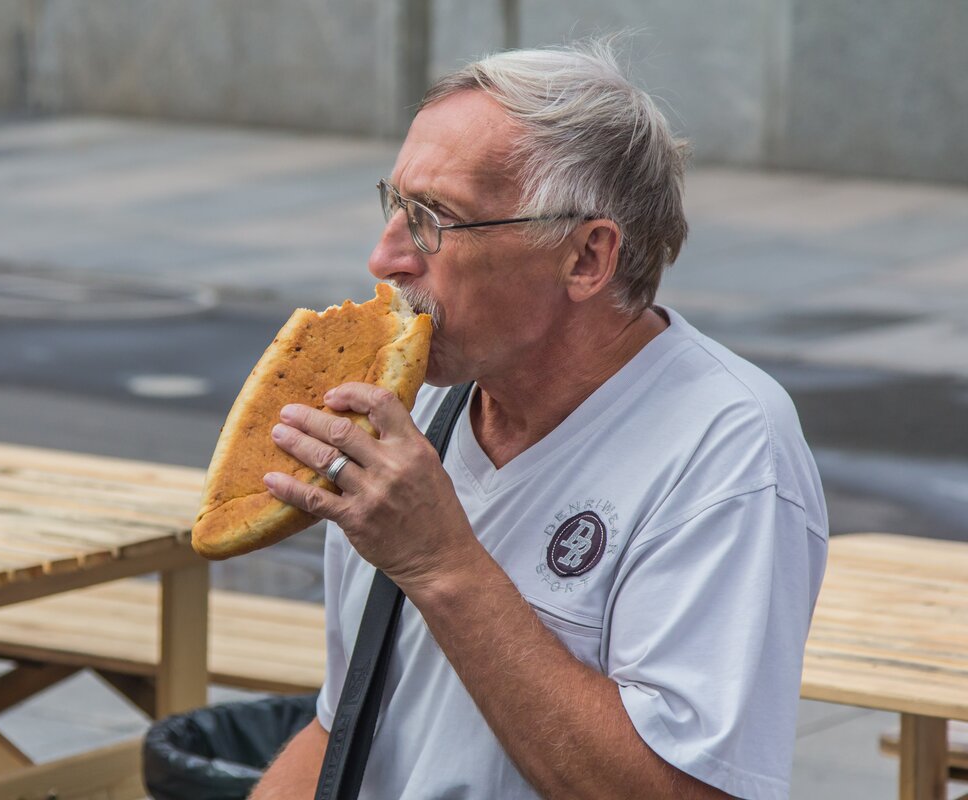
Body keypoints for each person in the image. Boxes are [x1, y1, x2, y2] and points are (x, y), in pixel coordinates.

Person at [252, 39, 827, 800]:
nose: (385, 256)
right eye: (396, 206)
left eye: (435, 219)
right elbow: (347, 727)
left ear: (587, 257)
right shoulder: (408, 409)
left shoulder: (725, 446)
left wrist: (441, 562)